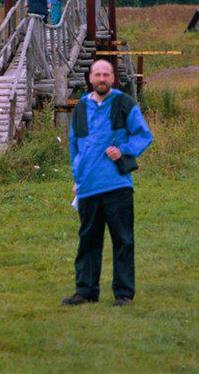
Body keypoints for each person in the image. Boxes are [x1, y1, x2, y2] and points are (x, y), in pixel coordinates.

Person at [62, 59, 153, 307]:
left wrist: (123, 150)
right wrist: (77, 179)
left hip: (117, 185)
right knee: (88, 241)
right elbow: (75, 147)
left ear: (113, 78)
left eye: (106, 74)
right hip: (88, 186)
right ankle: (85, 291)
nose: (102, 79)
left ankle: (123, 294)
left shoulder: (124, 103)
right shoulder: (80, 108)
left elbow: (144, 135)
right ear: (90, 78)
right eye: (97, 74)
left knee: (123, 240)